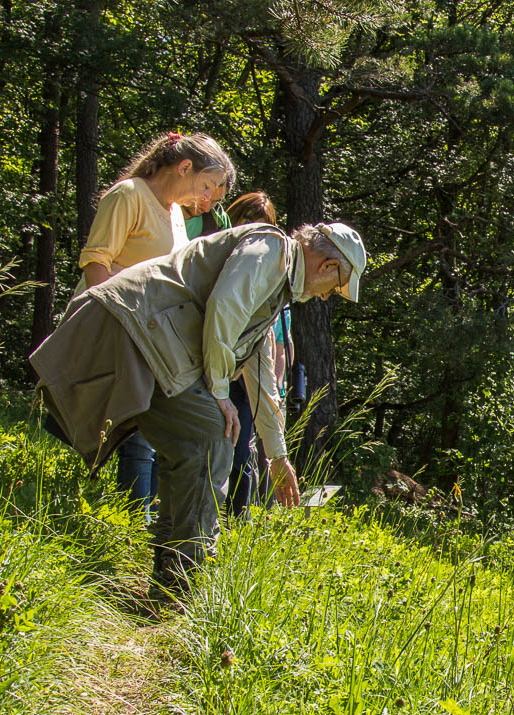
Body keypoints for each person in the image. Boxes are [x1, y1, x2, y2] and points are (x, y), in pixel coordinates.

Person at [31, 220, 367, 602]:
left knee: (196, 443)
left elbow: (261, 377)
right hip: (133, 325)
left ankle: (171, 576)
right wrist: (220, 392)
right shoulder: (271, 248)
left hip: (151, 338)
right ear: (327, 266)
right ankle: (182, 582)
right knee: (212, 435)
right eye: (334, 287)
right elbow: (225, 305)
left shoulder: (277, 283)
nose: (325, 297)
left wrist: (277, 456)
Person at [76, 132, 237, 523]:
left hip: (150, 336)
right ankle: (130, 520)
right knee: (133, 432)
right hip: (114, 327)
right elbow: (96, 264)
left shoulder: (175, 214)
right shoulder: (128, 195)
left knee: (149, 432)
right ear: (185, 168)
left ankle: (144, 522)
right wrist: (116, 322)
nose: (208, 199)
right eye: (207, 186)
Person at [221, 192, 280, 515]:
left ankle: (236, 519)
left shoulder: (271, 276)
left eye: (263, 228)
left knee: (241, 452)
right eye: (247, 225)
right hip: (215, 370)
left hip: (247, 380)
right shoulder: (218, 256)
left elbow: (273, 342)